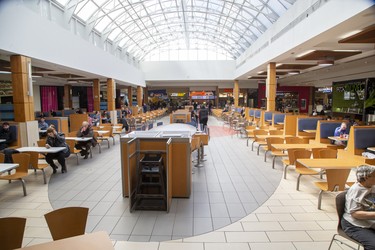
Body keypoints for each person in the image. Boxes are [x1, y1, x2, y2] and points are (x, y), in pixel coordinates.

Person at [342, 165, 375, 250]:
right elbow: (355, 214)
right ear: (366, 177)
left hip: (369, 221)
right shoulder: (356, 190)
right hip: (354, 225)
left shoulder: (372, 186)